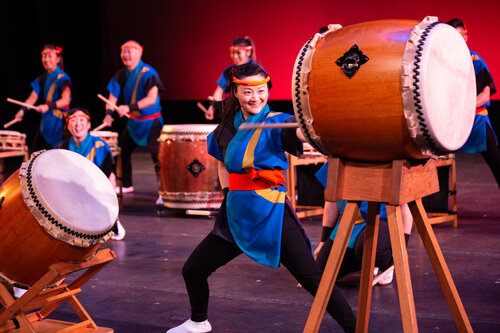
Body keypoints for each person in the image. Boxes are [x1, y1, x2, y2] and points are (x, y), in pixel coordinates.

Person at [167, 63, 356, 333]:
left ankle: (355, 328)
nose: (255, 97)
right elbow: (222, 162)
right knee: (193, 270)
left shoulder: (278, 122)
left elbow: (303, 133)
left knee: (313, 279)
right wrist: (228, 192)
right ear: (235, 92)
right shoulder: (225, 129)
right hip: (236, 215)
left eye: (260, 90)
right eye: (247, 91)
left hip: (271, 212)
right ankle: (199, 321)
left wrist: (322, 125)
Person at [313, 162, 413, 286]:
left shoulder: (385, 157)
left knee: (369, 246)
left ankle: (386, 263)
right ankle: (367, 262)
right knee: (322, 270)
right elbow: (332, 201)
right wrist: (323, 241)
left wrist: (401, 251)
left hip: (383, 221)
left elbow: (404, 207)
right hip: (352, 224)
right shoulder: (337, 158)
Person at [101, 40, 165, 199]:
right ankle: (126, 184)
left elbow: (151, 99)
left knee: (157, 154)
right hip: (133, 122)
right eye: (124, 51)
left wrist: (128, 108)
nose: (126, 55)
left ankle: (164, 189)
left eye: (130, 51)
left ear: (140, 53)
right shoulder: (122, 74)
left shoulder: (149, 73)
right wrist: (109, 115)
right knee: (121, 150)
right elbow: (112, 97)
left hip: (152, 122)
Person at [58, 107, 126, 241]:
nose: (78, 124)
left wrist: (112, 208)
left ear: (89, 125)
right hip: (71, 197)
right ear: (67, 125)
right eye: (73, 120)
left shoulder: (100, 146)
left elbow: (109, 175)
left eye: (82, 120)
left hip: (95, 196)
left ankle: (111, 222)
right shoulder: (62, 147)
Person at [447, 18, 500, 188]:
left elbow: (485, 95)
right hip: (450, 123)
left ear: (466, 36)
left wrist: (465, 107)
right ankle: (435, 208)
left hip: (476, 119)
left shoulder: (475, 59)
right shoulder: (442, 64)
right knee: (435, 162)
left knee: (496, 160)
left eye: (461, 35)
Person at [14, 44, 72, 152]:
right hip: (47, 120)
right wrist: (22, 111)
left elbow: (66, 100)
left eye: (49, 56)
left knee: (59, 152)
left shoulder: (62, 77)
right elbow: (32, 97)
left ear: (58, 59)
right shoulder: (42, 78)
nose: (46, 59)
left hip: (60, 122)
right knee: (38, 153)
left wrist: (47, 106)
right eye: (44, 56)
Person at [204, 36, 257, 120]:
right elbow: (219, 91)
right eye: (233, 53)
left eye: (238, 53)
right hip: (236, 115)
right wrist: (211, 108)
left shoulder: (257, 70)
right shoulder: (229, 71)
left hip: (254, 113)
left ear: (248, 52)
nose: (235, 56)